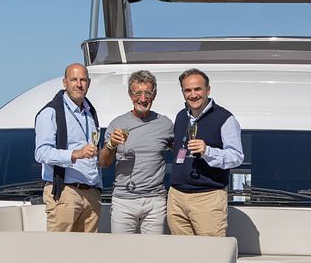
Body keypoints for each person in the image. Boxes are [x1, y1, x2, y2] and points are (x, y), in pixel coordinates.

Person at [167, 68, 243, 237]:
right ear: (182, 92)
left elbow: (237, 157)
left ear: (208, 90)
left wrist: (207, 151)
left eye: (197, 89)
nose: (193, 95)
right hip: (177, 197)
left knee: (211, 254)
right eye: (187, 90)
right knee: (181, 254)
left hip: (207, 198)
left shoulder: (225, 118)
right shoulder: (181, 116)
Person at [99, 70, 173, 233]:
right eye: (137, 93)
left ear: (155, 94)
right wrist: (111, 145)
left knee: (153, 253)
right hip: (123, 201)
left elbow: (181, 151)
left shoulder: (166, 124)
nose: (143, 98)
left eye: (148, 93)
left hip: (155, 201)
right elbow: (103, 163)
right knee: (122, 253)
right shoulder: (117, 123)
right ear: (130, 94)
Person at [34, 63, 102, 232]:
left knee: (86, 254)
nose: (79, 84)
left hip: (91, 193)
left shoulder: (90, 112)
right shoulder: (50, 112)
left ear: (89, 83)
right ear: (65, 82)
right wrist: (76, 154)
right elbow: (41, 153)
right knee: (59, 252)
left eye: (83, 80)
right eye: (74, 79)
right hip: (65, 192)